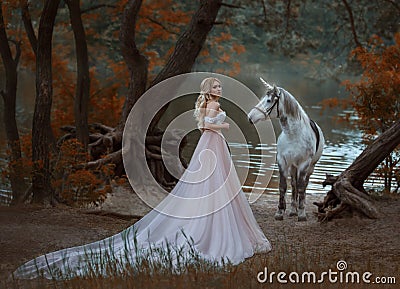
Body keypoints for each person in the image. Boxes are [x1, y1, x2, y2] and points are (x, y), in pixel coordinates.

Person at [12, 77, 271, 280]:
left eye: (221, 86)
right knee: (215, 184)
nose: (220, 88)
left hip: (211, 145)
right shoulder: (212, 105)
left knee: (213, 184)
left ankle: (215, 218)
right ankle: (214, 225)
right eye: (216, 85)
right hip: (212, 141)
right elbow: (205, 127)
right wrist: (224, 126)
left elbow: (202, 126)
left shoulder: (208, 104)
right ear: (208, 89)